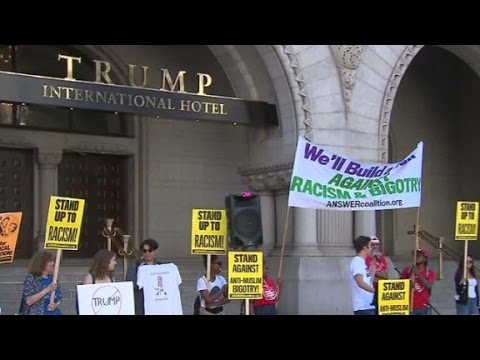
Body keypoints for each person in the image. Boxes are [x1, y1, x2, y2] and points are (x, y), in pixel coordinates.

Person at [125, 239, 162, 315]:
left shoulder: (161, 267)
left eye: (150, 250)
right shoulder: (135, 266)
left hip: (157, 305)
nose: (147, 253)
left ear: (156, 251)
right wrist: (140, 273)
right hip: (141, 306)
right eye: (144, 251)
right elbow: (129, 285)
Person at [20, 251, 61, 315]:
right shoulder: (31, 278)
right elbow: (29, 301)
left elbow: (58, 298)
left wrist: (56, 305)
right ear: (41, 263)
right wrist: (47, 289)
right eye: (50, 261)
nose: (53, 263)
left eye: (53, 261)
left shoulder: (53, 278)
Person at [401, 249, 436, 315]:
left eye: (418, 255)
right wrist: (408, 284)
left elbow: (429, 285)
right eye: (414, 255)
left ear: (425, 259)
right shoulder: (407, 270)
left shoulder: (430, 272)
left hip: (424, 306)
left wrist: (418, 273)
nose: (415, 257)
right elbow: (400, 285)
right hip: (409, 306)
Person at [349, 235, 376, 315]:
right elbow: (360, 283)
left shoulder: (362, 263)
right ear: (365, 247)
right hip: (362, 307)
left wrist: (373, 267)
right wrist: (376, 292)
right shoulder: (356, 262)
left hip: (369, 305)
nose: (372, 248)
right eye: (370, 245)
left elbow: (368, 281)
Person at [365, 236, 389, 313]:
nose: (375, 246)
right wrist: (378, 274)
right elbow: (368, 274)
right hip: (371, 289)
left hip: (382, 289)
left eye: (377, 244)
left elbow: (386, 275)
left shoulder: (382, 258)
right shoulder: (366, 259)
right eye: (373, 244)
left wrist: (375, 273)